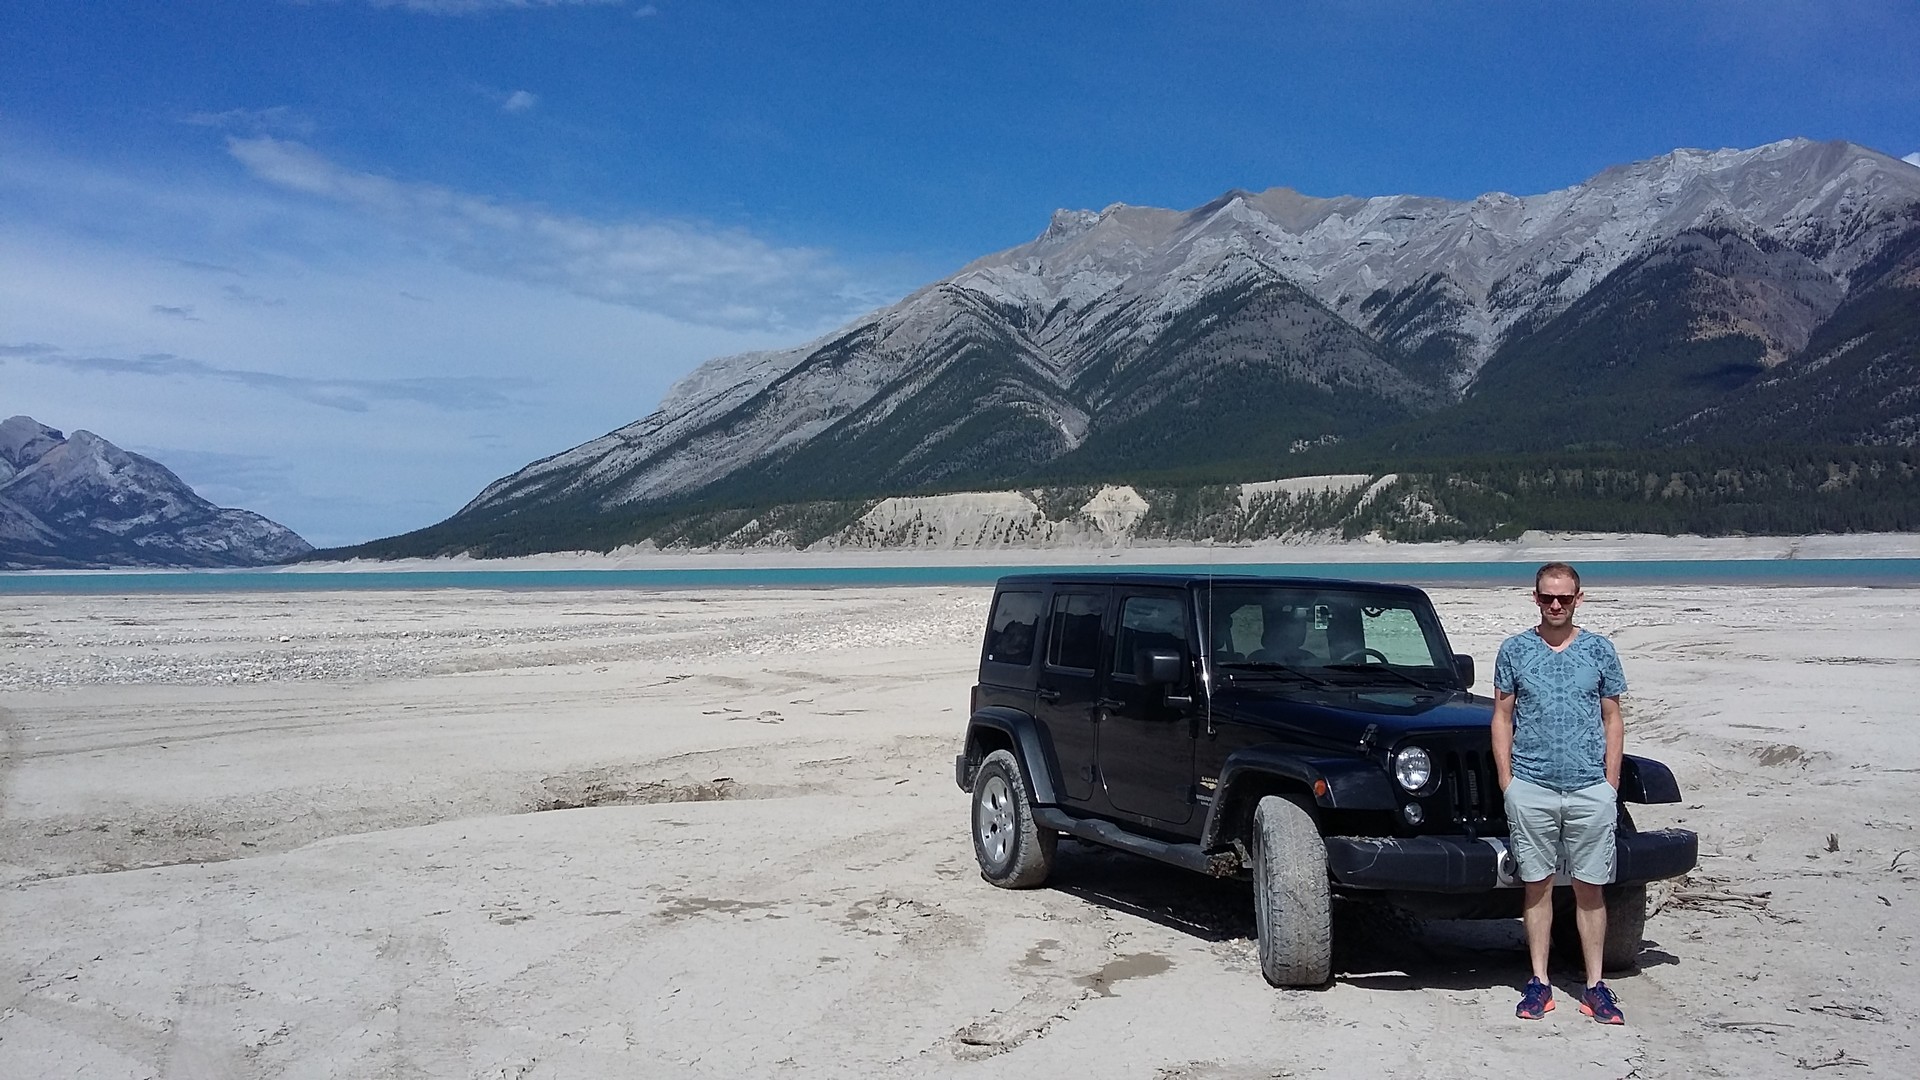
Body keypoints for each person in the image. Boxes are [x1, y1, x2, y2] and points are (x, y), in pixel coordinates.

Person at [1491, 561, 1628, 1025]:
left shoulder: (1600, 650)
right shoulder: (1514, 650)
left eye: (1564, 598)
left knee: (1591, 887)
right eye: (1547, 597)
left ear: (1577, 599)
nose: (1555, 605)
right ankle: (1539, 982)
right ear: (1535, 598)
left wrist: (1610, 784)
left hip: (1590, 788)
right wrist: (1508, 783)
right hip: (1531, 786)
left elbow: (1612, 718)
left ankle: (1595, 986)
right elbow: (1502, 717)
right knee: (1537, 885)